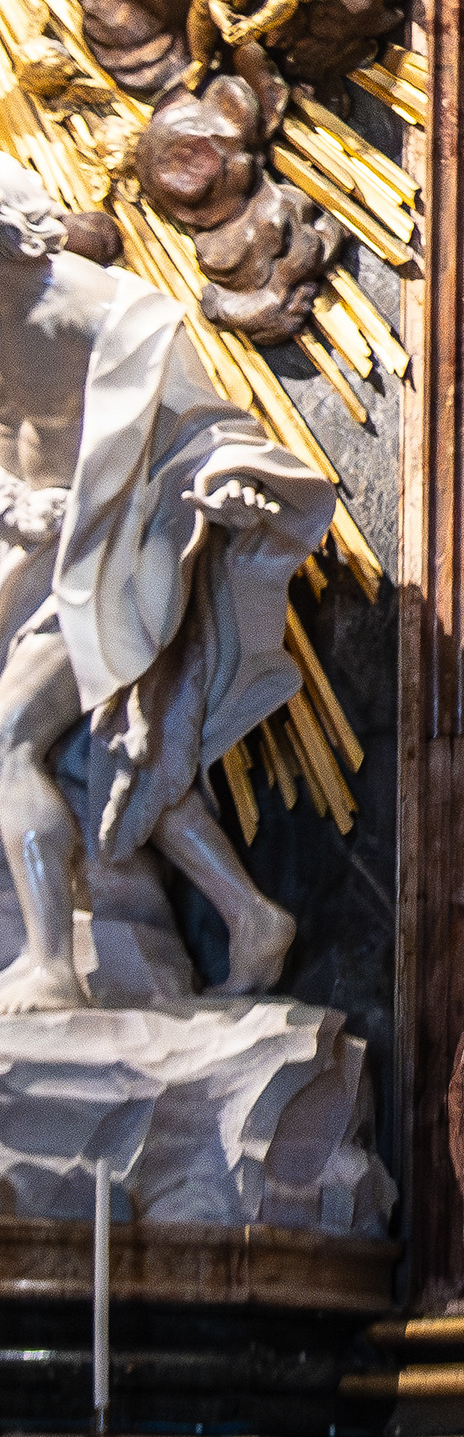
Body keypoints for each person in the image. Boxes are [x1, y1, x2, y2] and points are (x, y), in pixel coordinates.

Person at [0, 172, 334, 1013]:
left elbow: (204, 428)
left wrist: (226, 486)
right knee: (114, 754)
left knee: (9, 740)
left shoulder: (113, 316)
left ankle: (51, 965)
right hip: (44, 555)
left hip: (129, 545)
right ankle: (251, 916)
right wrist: (19, 503)